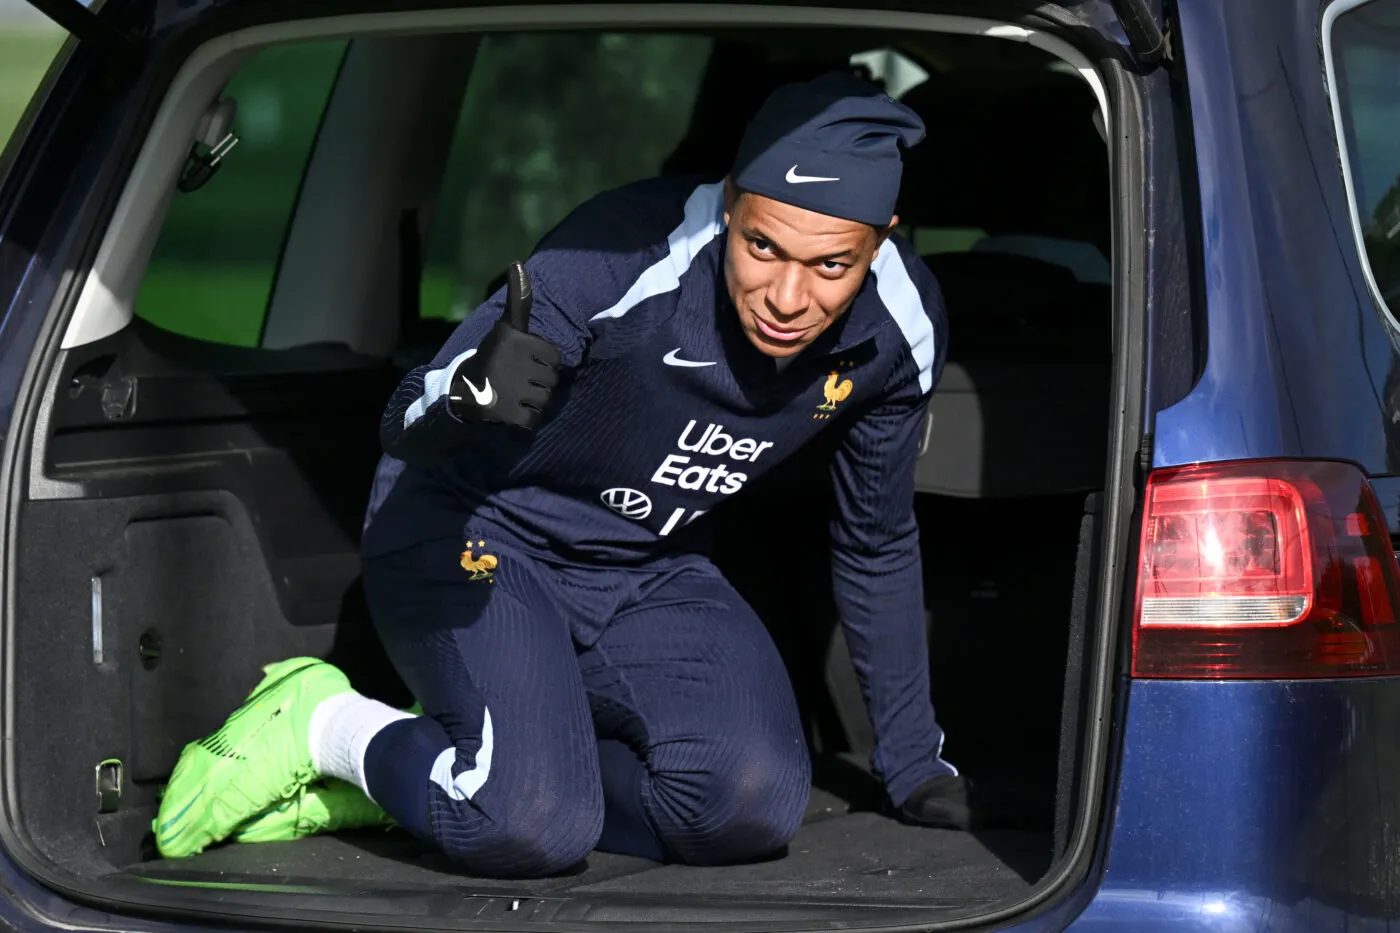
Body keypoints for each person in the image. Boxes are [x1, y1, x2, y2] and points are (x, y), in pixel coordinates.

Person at [153, 71, 967, 877]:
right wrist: (465, 399)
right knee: (530, 825)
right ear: (729, 203)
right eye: (763, 246)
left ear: (882, 241)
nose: (787, 296)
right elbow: (404, 421)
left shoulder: (903, 325)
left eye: (831, 264)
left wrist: (913, 764)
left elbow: (876, 539)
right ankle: (325, 724)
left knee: (746, 804)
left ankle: (455, 769)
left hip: (647, 562)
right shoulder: (618, 255)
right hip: (471, 529)